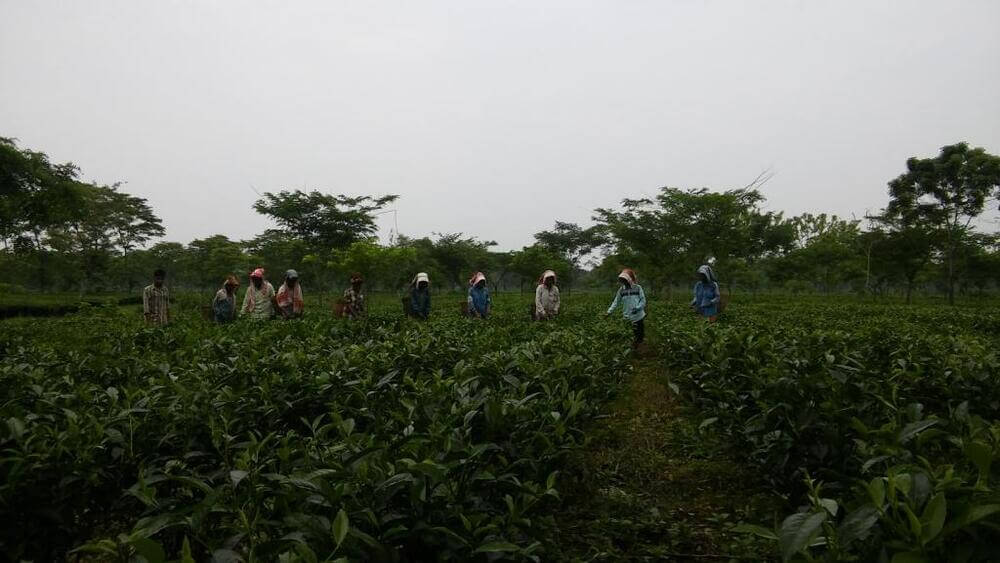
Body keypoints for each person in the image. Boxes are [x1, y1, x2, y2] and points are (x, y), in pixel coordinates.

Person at [605, 268, 646, 348]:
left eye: (625, 280)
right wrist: (609, 312)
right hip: (627, 316)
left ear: (630, 279)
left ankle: (639, 349)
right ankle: (632, 350)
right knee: (629, 334)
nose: (624, 282)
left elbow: (643, 300)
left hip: (638, 316)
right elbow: (616, 302)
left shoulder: (638, 288)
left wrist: (637, 308)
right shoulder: (621, 290)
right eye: (623, 280)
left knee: (639, 335)